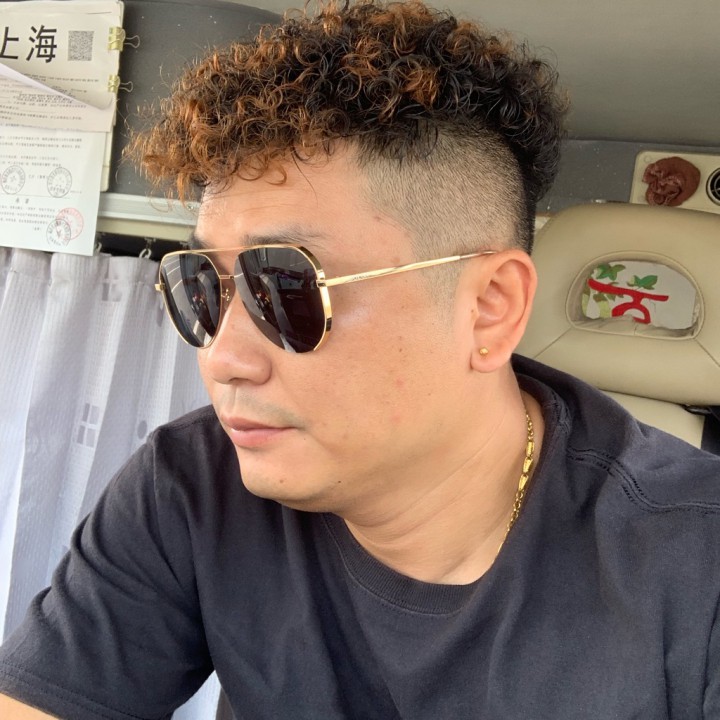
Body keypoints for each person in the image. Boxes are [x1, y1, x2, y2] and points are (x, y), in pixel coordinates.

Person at [1, 1, 720, 718]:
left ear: (488, 307)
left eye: (285, 286)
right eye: (202, 287)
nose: (223, 359)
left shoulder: (696, 560)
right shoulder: (192, 486)